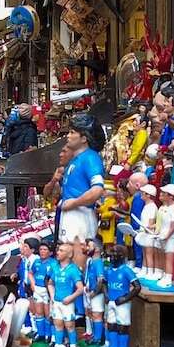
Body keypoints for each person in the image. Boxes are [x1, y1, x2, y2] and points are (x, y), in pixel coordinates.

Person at [56, 113, 108, 265]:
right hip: (71, 215)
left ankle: (82, 286)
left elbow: (97, 189)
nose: (68, 136)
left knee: (77, 249)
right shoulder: (76, 159)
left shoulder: (90, 158)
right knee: (68, 250)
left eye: (72, 132)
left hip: (80, 216)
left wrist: (73, 203)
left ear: (84, 138)